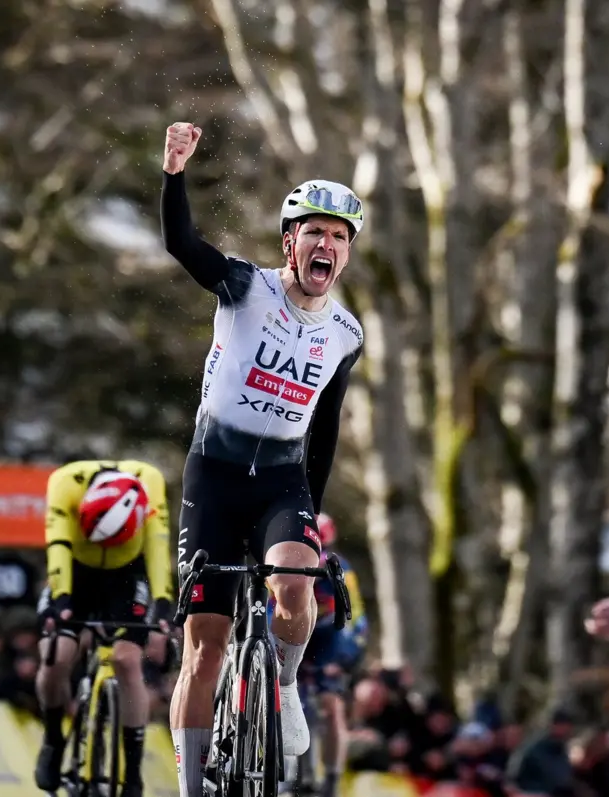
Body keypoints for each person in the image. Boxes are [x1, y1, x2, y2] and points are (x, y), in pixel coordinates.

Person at [160, 122, 365, 797]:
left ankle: (280, 685)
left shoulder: (345, 334)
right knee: (205, 646)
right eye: (315, 233)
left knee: (296, 586)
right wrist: (174, 176)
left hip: (282, 480)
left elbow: (326, 427)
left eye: (339, 237)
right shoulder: (247, 287)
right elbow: (183, 246)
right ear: (291, 242)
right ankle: (193, 787)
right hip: (213, 476)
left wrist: (311, 511)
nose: (326, 245)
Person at [34, 460, 174, 797]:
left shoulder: (150, 481)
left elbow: (157, 546)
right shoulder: (64, 483)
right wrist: (62, 600)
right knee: (56, 656)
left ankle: (134, 770)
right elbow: (58, 545)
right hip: (76, 570)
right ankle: (53, 738)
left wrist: (163, 602)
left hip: (127, 574)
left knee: (127, 661)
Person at [275, 512, 368, 797]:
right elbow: (271, 610)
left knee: (330, 706)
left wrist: (346, 656)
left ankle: (331, 778)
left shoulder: (337, 566)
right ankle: (299, 771)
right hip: (300, 635)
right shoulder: (284, 562)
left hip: (331, 639)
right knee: (295, 704)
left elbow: (354, 615)